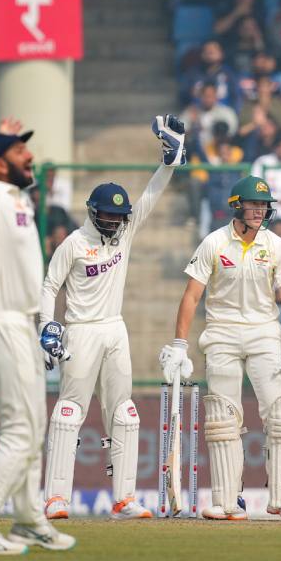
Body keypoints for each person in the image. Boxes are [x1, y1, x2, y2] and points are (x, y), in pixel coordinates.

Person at [39, 116, 185, 522]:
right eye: (106, 217)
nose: (114, 223)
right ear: (92, 213)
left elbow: (151, 196)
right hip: (81, 332)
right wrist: (47, 326)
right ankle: (56, 499)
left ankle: (124, 498)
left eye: (117, 218)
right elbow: (50, 287)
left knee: (125, 413)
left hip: (115, 329)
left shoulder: (124, 229)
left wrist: (169, 162)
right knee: (69, 412)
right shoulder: (73, 243)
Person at [0, 82, 74, 554]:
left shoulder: (20, 199)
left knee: (34, 426)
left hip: (23, 326)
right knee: (20, 429)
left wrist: (6, 138)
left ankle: (27, 518)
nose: (31, 155)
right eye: (22, 150)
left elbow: (6, 169)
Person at [163, 175, 281, 520]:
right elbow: (192, 295)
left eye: (263, 205)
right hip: (222, 334)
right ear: (237, 206)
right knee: (223, 419)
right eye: (253, 204)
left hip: (264, 334)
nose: (259, 211)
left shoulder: (276, 245)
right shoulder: (214, 243)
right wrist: (179, 346)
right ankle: (227, 502)